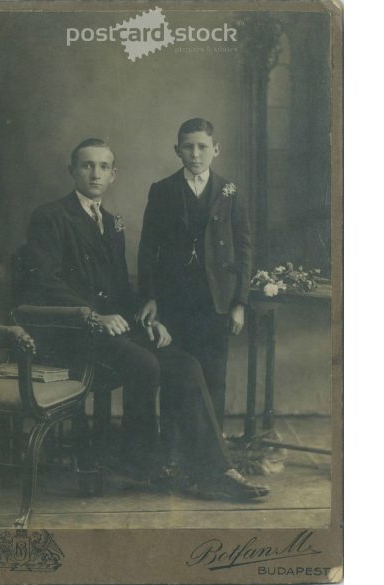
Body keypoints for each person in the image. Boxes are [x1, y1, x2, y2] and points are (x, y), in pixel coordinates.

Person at [18, 137, 268, 500]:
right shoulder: (51, 216)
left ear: (114, 174)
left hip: (114, 330)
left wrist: (147, 317)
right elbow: (41, 283)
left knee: (185, 364)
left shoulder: (111, 222)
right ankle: (142, 462)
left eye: (103, 167)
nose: (95, 174)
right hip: (72, 330)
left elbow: (119, 287)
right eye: (87, 165)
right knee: (144, 363)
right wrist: (92, 316)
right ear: (71, 171)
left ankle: (215, 471)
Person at [137, 118, 253, 442]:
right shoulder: (162, 191)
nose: (196, 154)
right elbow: (148, 248)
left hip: (215, 301)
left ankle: (212, 453)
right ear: (177, 150)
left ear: (216, 149)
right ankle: (174, 453)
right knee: (176, 376)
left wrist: (239, 303)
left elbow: (244, 249)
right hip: (175, 301)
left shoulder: (230, 192)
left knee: (214, 376)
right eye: (188, 147)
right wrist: (150, 296)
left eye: (203, 146)